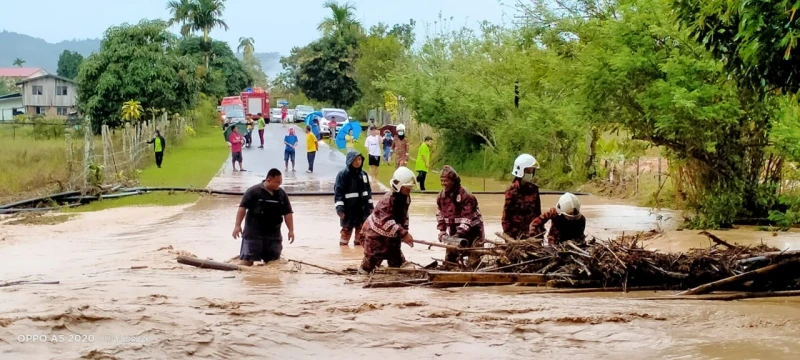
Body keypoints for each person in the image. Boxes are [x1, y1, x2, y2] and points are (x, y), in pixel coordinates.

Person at [359, 167, 417, 274]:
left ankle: (394, 281)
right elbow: (387, 222)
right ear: (398, 186)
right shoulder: (387, 201)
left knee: (396, 261)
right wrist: (404, 234)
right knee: (370, 262)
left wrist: (405, 231)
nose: (410, 190)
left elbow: (405, 216)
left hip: (392, 234)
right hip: (374, 235)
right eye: (407, 187)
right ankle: (362, 277)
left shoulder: (406, 198)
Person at [232, 169, 295, 265]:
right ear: (268, 180)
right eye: (277, 182)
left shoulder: (282, 194)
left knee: (273, 264)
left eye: (280, 182)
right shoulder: (253, 191)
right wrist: (237, 225)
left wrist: (291, 230)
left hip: (274, 236)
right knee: (247, 262)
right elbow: (242, 208)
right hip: (253, 234)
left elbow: (288, 213)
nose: (279, 185)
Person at [436, 165, 484, 263]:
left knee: (474, 262)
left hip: (474, 232)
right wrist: (442, 231)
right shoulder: (441, 197)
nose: (443, 184)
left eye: (446, 181)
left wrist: (457, 235)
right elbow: (440, 214)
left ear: (453, 181)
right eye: (442, 181)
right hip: (455, 233)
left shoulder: (466, 196)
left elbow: (467, 219)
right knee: (449, 261)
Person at [334, 151, 374, 246]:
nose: (358, 162)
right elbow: (338, 193)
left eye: (359, 159)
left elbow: (368, 192)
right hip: (348, 211)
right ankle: (343, 254)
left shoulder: (364, 175)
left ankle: (357, 257)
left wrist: (371, 207)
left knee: (361, 238)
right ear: (350, 161)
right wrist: (340, 209)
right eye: (355, 160)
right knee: (345, 235)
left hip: (362, 211)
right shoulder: (342, 175)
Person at [502, 154, 543, 239]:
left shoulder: (534, 189)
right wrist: (509, 237)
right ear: (520, 171)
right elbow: (506, 217)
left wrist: (540, 232)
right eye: (528, 171)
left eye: (532, 171)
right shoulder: (511, 191)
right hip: (516, 236)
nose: (530, 174)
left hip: (532, 235)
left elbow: (538, 213)